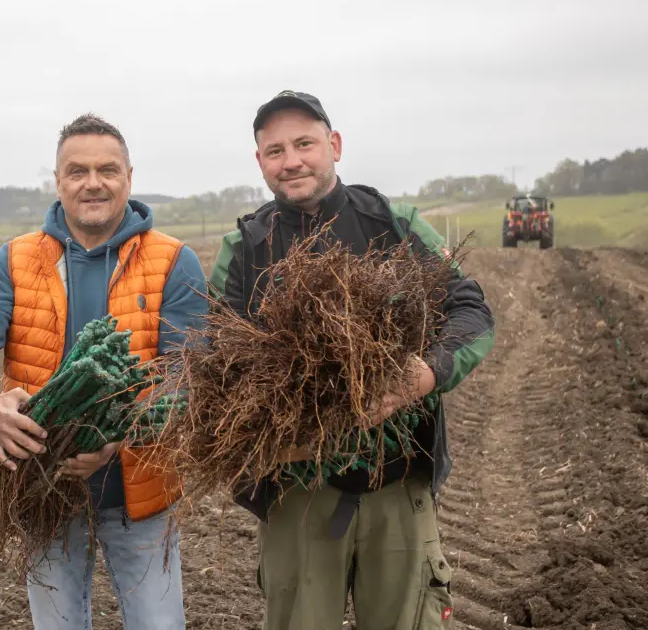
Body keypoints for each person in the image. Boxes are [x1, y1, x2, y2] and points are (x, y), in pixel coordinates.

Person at [207, 91, 495, 630]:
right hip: (295, 492)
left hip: (397, 483)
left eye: (304, 144)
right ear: (260, 162)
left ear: (334, 146)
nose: (291, 160)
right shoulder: (244, 247)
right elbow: (214, 359)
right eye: (275, 150)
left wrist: (425, 374)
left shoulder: (392, 223)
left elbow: (469, 309)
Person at [0, 113, 207, 629]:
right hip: (44, 485)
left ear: (129, 177)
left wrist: (116, 438)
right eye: (77, 171)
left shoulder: (173, 260)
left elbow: (188, 374)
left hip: (142, 491)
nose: (93, 182)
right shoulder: (13, 260)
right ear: (58, 182)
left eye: (107, 169)